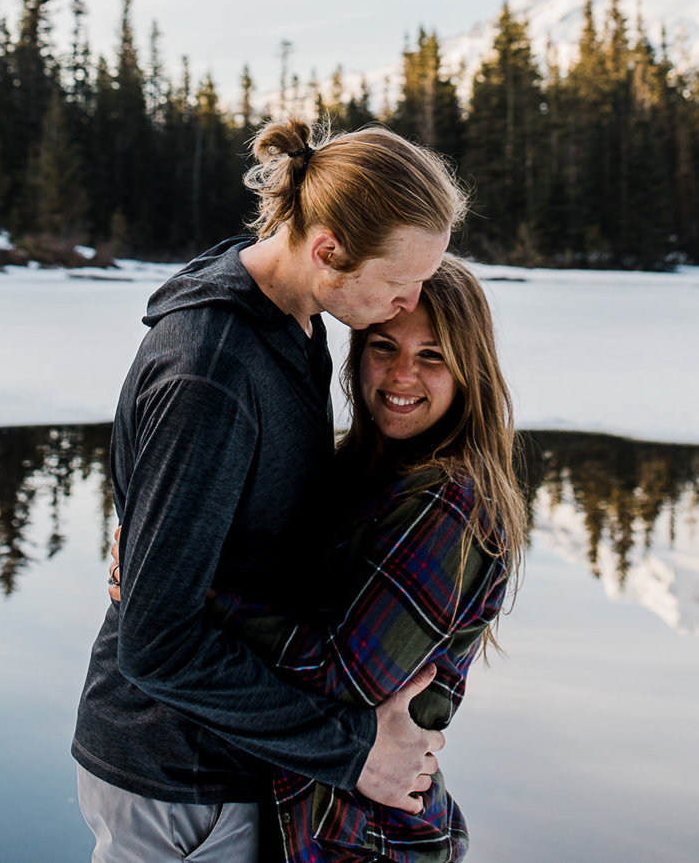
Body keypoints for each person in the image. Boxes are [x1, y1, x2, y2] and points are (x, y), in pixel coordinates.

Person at [71, 117, 465, 863]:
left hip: (226, 765)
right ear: (327, 250)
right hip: (178, 779)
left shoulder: (291, 317)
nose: (412, 298)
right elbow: (157, 643)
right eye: (399, 279)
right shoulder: (212, 374)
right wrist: (355, 753)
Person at [199, 255, 523, 861]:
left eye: (432, 355)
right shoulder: (355, 469)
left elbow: (349, 677)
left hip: (368, 840)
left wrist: (196, 587)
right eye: (383, 347)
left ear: (469, 369)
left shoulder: (450, 501)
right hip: (320, 819)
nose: (402, 376)